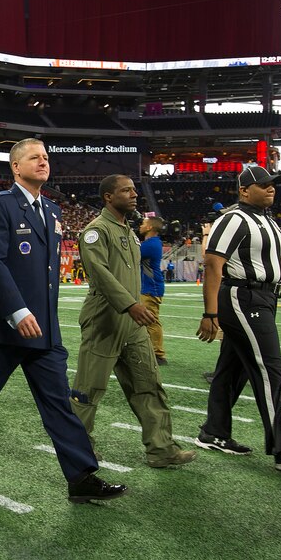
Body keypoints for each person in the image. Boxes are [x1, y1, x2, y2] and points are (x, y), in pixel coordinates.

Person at [0, 138, 127, 503]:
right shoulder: (0, 205)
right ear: (16, 166)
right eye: (35, 157)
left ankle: (80, 477)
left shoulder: (52, 209)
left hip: (43, 329)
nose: (43, 162)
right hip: (4, 325)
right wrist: (17, 310)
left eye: (46, 157)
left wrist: (42, 318)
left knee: (58, 402)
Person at [195, 165, 281, 475]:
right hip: (243, 296)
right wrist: (210, 313)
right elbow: (214, 265)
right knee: (270, 370)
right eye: (263, 184)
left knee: (232, 370)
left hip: (264, 297)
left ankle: (214, 432)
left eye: (273, 184)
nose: (271, 189)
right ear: (244, 190)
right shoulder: (232, 219)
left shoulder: (268, 222)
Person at [69, 175, 197, 468]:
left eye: (134, 190)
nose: (134, 194)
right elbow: (99, 273)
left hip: (132, 322)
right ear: (108, 197)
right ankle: (78, 450)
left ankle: (162, 450)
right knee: (88, 389)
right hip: (105, 320)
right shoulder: (95, 231)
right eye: (126, 190)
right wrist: (130, 305)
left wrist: (133, 308)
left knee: (148, 384)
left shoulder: (129, 231)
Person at [138, 215, 168, 364]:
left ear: (150, 227)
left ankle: (158, 354)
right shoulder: (152, 242)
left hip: (151, 287)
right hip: (149, 286)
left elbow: (131, 254)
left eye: (143, 223)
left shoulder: (150, 244)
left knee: (151, 320)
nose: (140, 225)